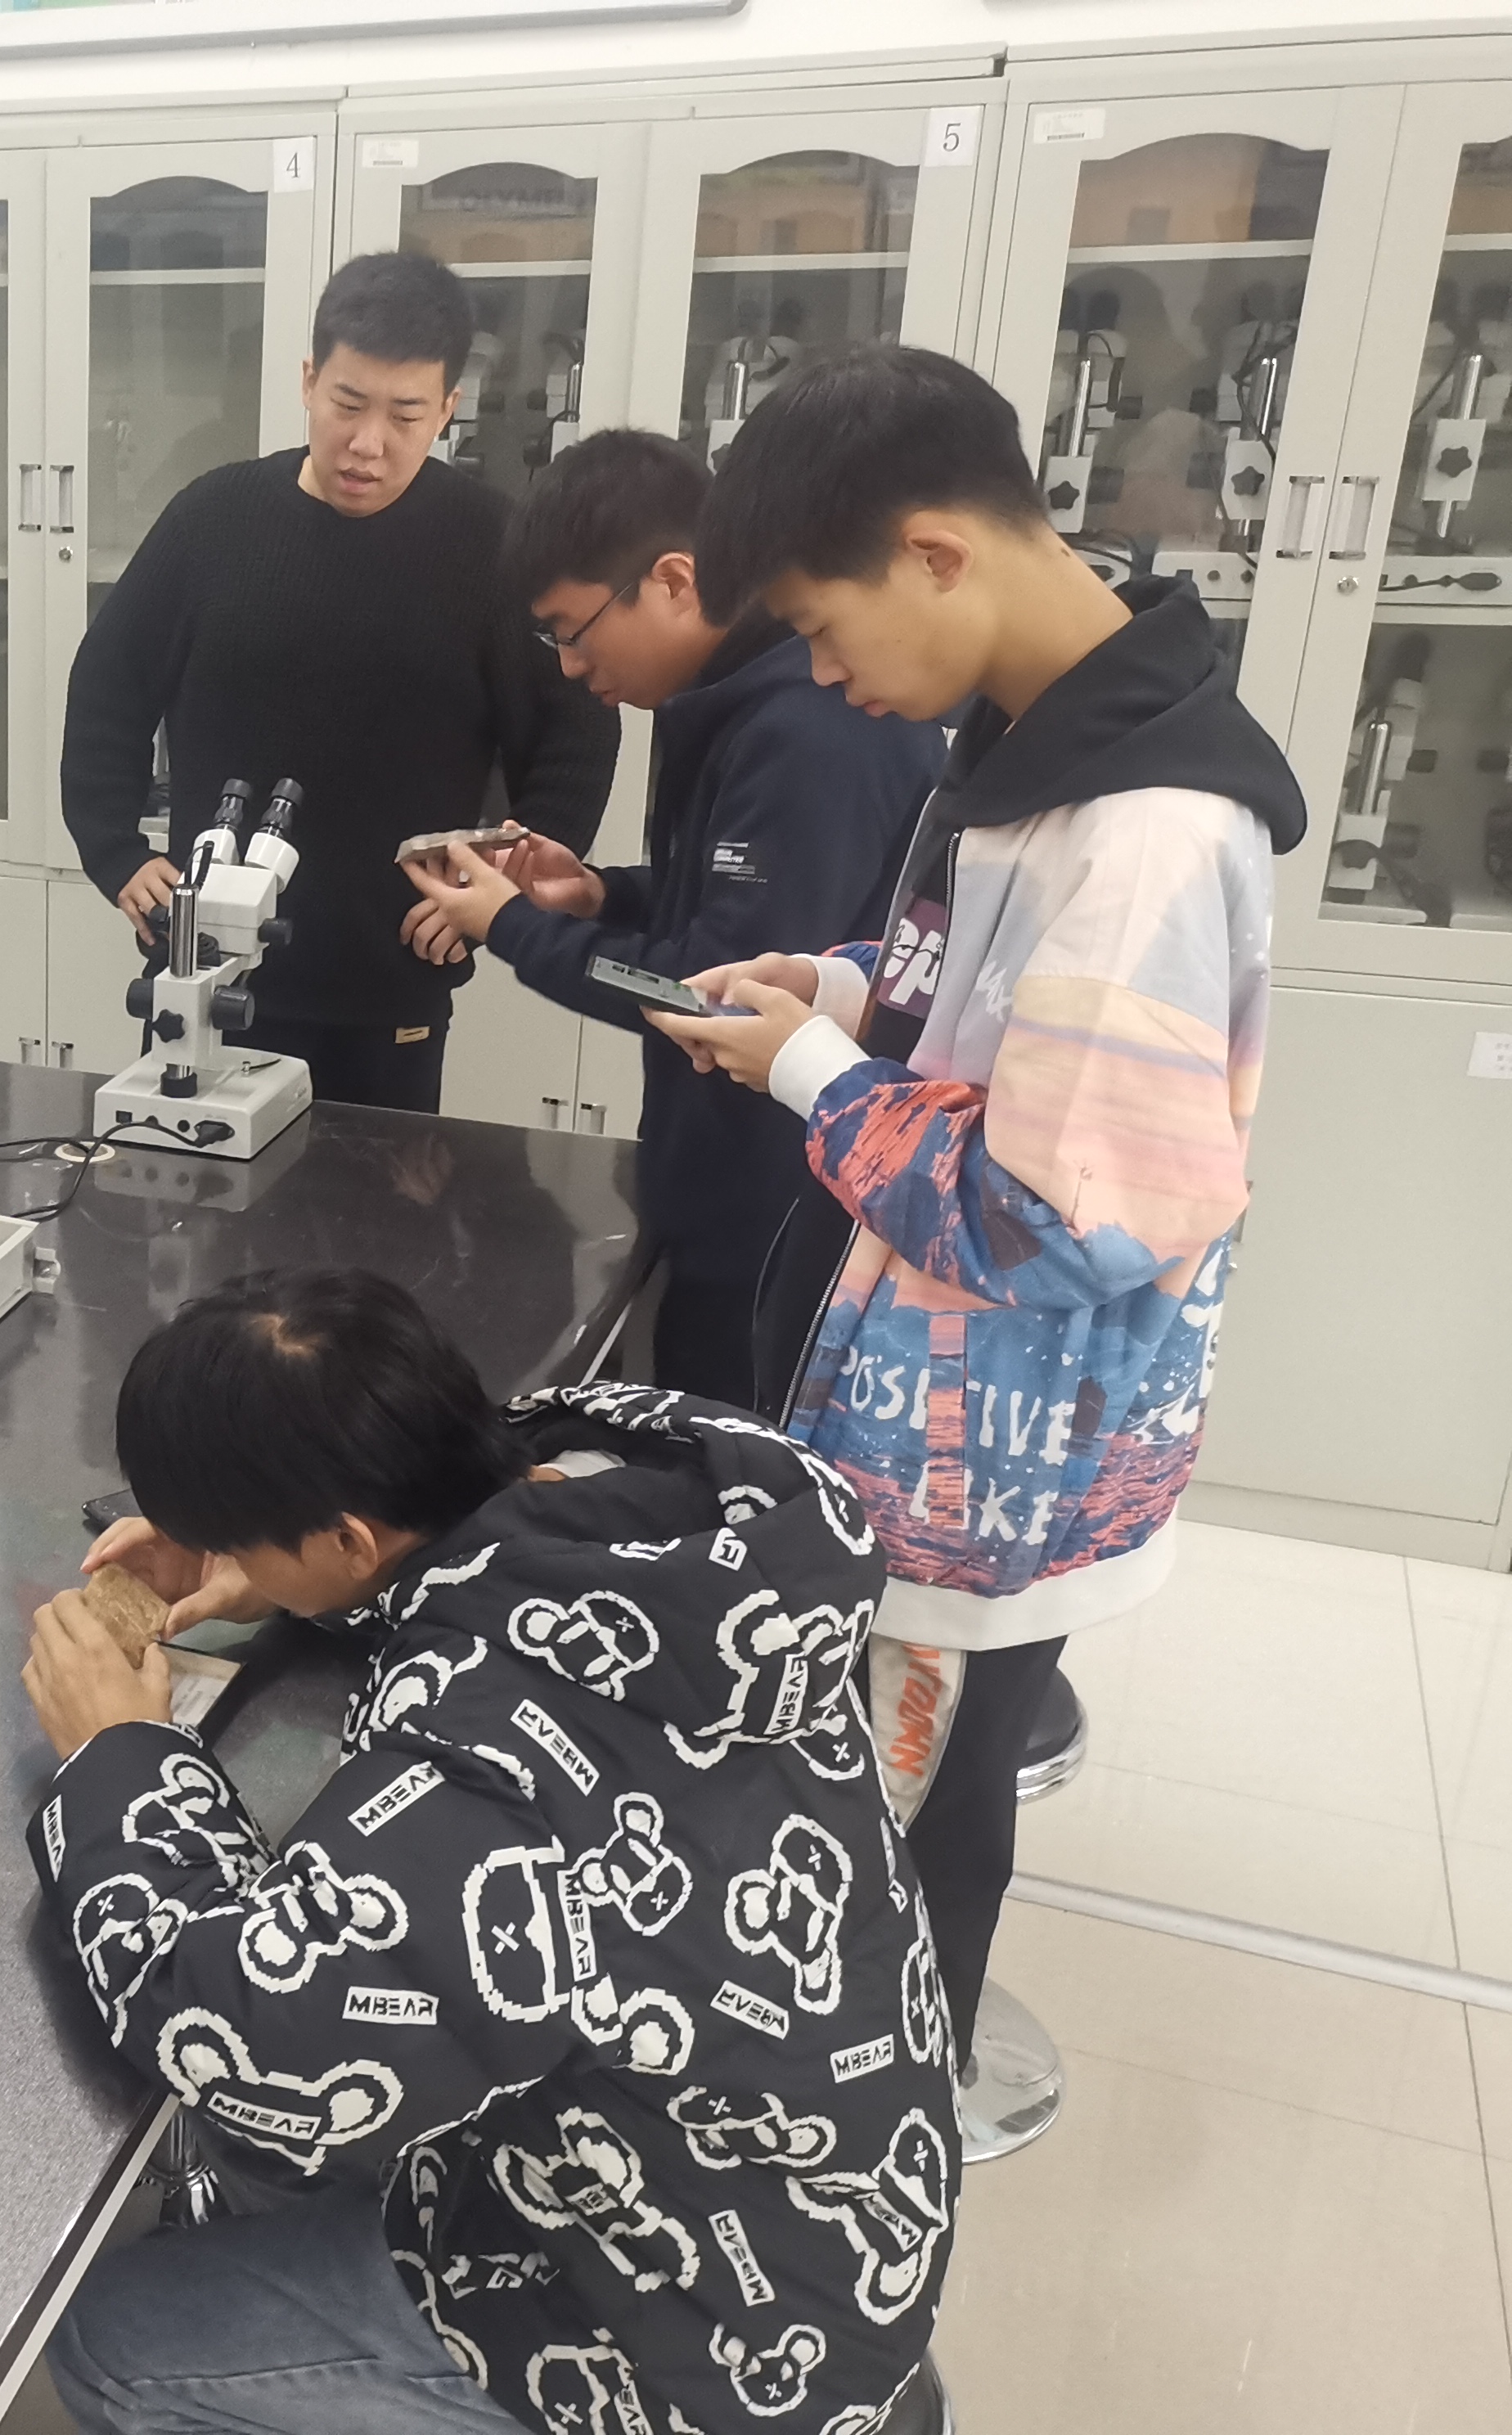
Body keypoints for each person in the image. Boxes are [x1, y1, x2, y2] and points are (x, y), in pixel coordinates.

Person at [642, 341, 1305, 2044]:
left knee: (906, 1844)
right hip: (910, 1427)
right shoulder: (1025, 740)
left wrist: (812, 1072)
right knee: (872, 1817)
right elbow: (987, 1007)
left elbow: (1051, 1217)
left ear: (933, 552)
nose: (821, 671)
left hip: (984, 1471)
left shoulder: (1147, 835)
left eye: (822, 624)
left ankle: (877, 2136)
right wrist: (839, 992)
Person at [24, 1269, 953, 2435]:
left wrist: (116, 1755)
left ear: (347, 1535)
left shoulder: (487, 1783)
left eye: (235, 1537)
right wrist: (283, 1574)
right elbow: (484, 1582)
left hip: (707, 2341)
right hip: (830, 2202)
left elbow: (250, 2048)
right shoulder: (657, 1489)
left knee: (113, 2341)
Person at [405, 430, 942, 1404]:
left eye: (571, 630)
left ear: (672, 581)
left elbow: (710, 995)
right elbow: (746, 912)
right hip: (724, 1184)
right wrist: (603, 893)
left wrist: (510, 926)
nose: (569, 668)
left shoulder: (805, 731)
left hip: (780, 1208)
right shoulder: (732, 705)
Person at [58, 253, 620, 1114]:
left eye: (405, 415)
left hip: (390, 989)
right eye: (347, 404)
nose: (368, 443)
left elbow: (574, 730)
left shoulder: (493, 547)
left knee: (377, 1201)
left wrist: (500, 890)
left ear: (447, 408)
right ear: (309, 381)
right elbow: (107, 689)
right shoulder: (212, 520)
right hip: (203, 979)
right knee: (186, 1191)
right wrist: (114, 851)